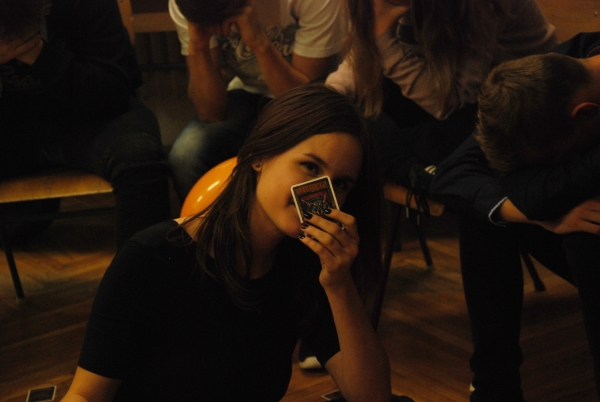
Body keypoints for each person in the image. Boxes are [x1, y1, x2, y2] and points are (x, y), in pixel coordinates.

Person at [61, 84, 401, 401]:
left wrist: (340, 285)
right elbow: (85, 395)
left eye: (340, 184)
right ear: (258, 156)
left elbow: (371, 397)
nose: (320, 195)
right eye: (310, 167)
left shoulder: (307, 265)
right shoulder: (150, 258)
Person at [429, 32, 600, 401]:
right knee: (486, 213)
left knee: (584, 239)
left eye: (552, 160)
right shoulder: (558, 73)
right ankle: (495, 388)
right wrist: (537, 216)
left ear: (586, 113)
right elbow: (452, 174)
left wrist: (539, 197)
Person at [325, 0, 557, 193]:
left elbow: (452, 103)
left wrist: (382, 39)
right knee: (334, 105)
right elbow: (363, 57)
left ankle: (407, 168)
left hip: (521, 108)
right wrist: (325, 100)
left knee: (370, 137)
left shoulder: (477, 6)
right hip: (441, 86)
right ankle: (405, 166)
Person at [0, 0, 171, 247]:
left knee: (139, 154)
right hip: (12, 124)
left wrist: (38, 54)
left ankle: (141, 269)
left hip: (88, 116)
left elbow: (114, 90)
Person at [167, 0, 347, 203]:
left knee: (301, 163)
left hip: (311, 99)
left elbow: (303, 102)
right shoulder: (186, 4)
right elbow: (210, 112)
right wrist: (198, 47)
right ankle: (211, 224)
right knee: (186, 156)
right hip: (246, 91)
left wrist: (260, 43)